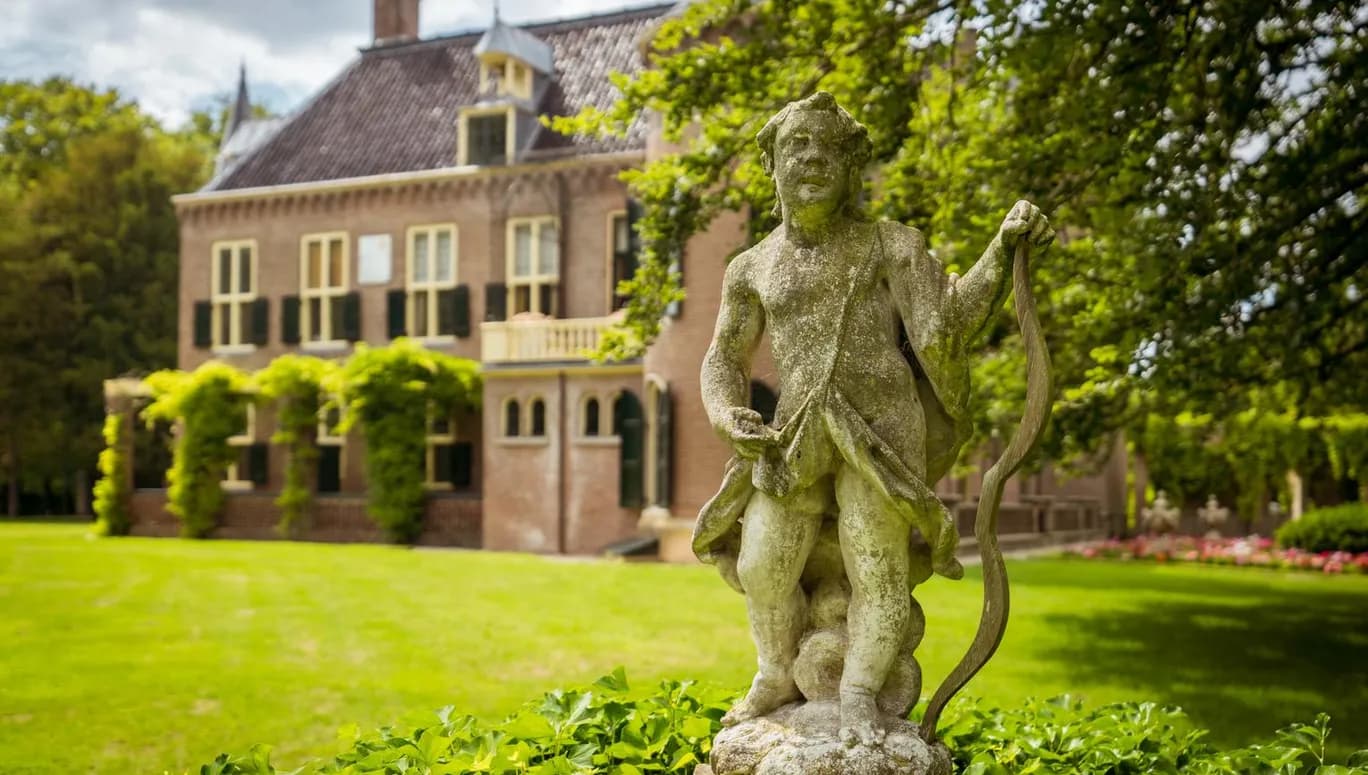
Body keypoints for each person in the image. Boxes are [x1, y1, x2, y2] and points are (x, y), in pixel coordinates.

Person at [693, 91, 1052, 746]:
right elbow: (722, 358)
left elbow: (947, 326)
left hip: (883, 430)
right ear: (772, 165)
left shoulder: (889, 246)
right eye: (795, 145)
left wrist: (1002, 248)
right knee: (764, 563)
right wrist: (727, 413)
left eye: (826, 148)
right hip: (795, 433)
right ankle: (776, 671)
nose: (811, 158)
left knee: (877, 565)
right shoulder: (752, 266)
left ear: (853, 169)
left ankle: (859, 691)